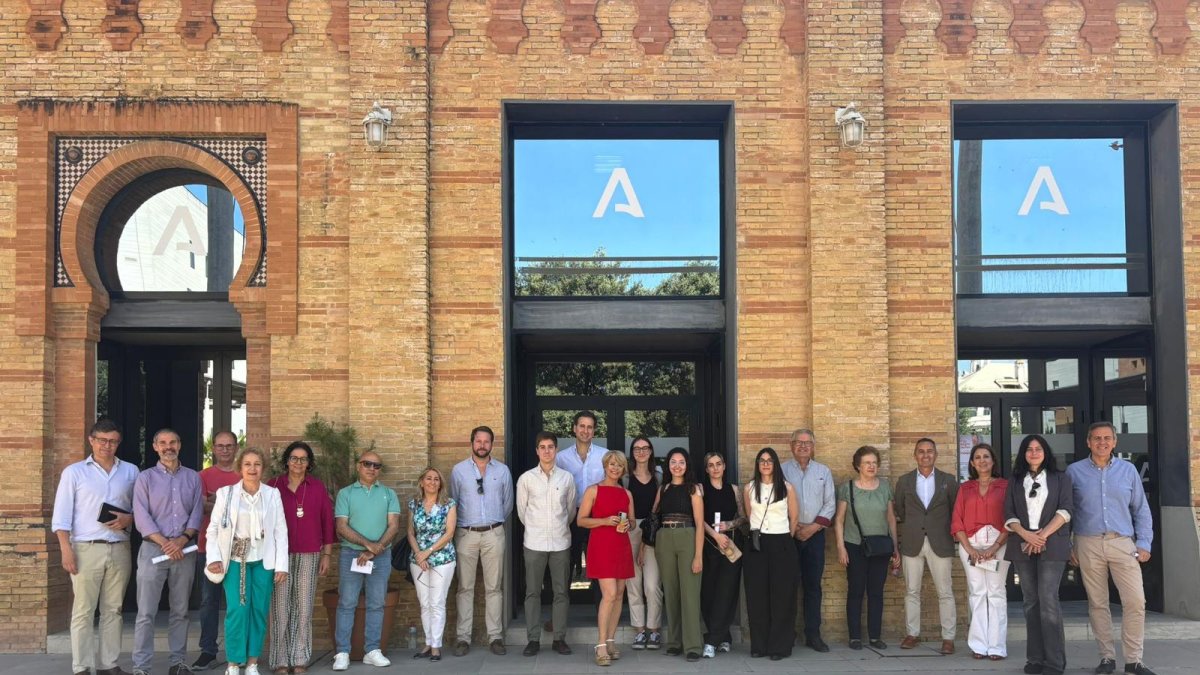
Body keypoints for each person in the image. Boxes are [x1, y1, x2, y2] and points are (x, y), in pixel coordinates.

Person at [1067, 422, 1157, 675]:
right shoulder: (1074, 472)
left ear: (1115, 442)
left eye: (1107, 438)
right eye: (1097, 438)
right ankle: (1106, 658)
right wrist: (1068, 545)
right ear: (1088, 442)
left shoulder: (1128, 470)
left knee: (1136, 601)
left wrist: (1144, 542)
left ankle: (1134, 660)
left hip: (1122, 543)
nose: (1102, 442)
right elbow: (1065, 511)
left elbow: (1141, 509)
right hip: (1088, 543)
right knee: (1098, 603)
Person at [52, 419, 139, 675]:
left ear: (118, 443)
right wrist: (66, 550)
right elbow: (61, 515)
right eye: (102, 440)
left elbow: (142, 508)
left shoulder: (131, 471)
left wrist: (130, 519)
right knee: (83, 610)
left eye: (112, 441)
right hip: (85, 548)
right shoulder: (74, 472)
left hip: (120, 547)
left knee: (114, 610)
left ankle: (108, 664)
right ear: (91, 440)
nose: (107, 445)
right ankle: (82, 666)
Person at [204, 448, 289, 675]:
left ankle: (252, 662)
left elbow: (280, 531)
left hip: (263, 560)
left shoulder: (272, 494)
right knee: (237, 611)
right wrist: (213, 558)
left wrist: (282, 566)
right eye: (247, 464)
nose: (252, 468)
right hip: (235, 559)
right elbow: (213, 529)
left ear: (263, 468)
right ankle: (233, 663)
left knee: (259, 610)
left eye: (257, 464)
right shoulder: (226, 494)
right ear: (240, 467)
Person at [132, 428, 205, 675]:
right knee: (146, 612)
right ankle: (141, 666)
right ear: (155, 447)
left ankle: (177, 663)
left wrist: (182, 540)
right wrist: (166, 543)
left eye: (172, 442)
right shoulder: (145, 478)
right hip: (153, 550)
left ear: (179, 445)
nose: (168, 447)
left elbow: (196, 513)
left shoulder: (193, 477)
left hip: (184, 552)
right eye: (162, 443)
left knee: (180, 611)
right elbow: (141, 516)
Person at [1005, 434, 1073, 675]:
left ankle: (1054, 662)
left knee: (1048, 600)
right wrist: (1027, 535)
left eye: (1038, 449)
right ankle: (1035, 658)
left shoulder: (1060, 478)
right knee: (1031, 602)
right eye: (1029, 449)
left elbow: (1066, 510)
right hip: (1022, 545)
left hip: (1052, 544)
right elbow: (1008, 514)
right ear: (1023, 454)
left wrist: (1041, 536)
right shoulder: (1015, 480)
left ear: (1046, 453)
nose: (1034, 453)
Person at [266, 441, 336, 674]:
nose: (298, 463)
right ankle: (280, 660)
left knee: (303, 607)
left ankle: (299, 658)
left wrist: (327, 554)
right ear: (287, 461)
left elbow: (327, 521)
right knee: (280, 608)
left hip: (309, 554)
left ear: (309, 463)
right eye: (294, 458)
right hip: (279, 556)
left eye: (303, 459)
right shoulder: (273, 485)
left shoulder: (317, 487)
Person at [332, 450, 401, 671]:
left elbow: (394, 526)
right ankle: (342, 652)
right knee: (346, 603)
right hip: (351, 555)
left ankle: (372, 650)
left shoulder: (389, 494)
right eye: (367, 464)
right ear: (358, 466)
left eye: (376, 465)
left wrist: (374, 549)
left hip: (380, 557)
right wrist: (368, 545)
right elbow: (341, 527)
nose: (372, 468)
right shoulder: (345, 493)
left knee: (376, 604)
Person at [449, 425, 513, 656]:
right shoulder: (458, 471)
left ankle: (495, 637)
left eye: (486, 441)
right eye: (478, 441)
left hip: (494, 533)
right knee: (464, 588)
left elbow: (508, 503)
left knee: (494, 588)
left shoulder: (502, 471)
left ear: (492, 444)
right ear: (472, 443)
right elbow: (453, 502)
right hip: (466, 534)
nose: (482, 445)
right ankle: (462, 638)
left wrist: (494, 523)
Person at [893, 438, 959, 654]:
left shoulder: (948, 480)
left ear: (936, 455)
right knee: (911, 591)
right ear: (915, 455)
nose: (925, 455)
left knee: (945, 591)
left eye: (930, 451)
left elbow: (955, 510)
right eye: (921, 451)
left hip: (940, 541)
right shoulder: (904, 481)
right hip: (912, 541)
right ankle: (912, 634)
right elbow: (900, 510)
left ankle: (948, 638)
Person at [515, 431, 575, 657]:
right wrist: (536, 528)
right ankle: (533, 640)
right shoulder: (526, 479)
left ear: (556, 450)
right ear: (537, 450)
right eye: (543, 447)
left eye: (551, 447)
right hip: (534, 543)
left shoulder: (566, 478)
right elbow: (522, 512)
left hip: (560, 542)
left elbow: (570, 511)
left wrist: (558, 528)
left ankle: (559, 638)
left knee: (561, 592)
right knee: (532, 593)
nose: (547, 451)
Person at [835, 445, 899, 651]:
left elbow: (891, 519)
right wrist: (841, 547)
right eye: (867, 463)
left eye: (874, 463)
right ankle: (854, 637)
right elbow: (839, 520)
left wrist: (895, 547)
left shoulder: (885, 487)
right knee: (855, 590)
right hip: (855, 545)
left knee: (876, 592)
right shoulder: (848, 488)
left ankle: (874, 636)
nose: (871, 466)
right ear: (858, 466)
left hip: (880, 546)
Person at [644, 447, 704, 662]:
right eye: (673, 462)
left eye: (681, 462)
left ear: (687, 465)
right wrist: (644, 546)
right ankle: (675, 642)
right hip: (664, 539)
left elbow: (700, 524)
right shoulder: (663, 489)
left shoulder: (694, 489)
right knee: (671, 592)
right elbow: (653, 518)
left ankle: (693, 645)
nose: (677, 466)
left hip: (687, 536)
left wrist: (698, 556)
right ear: (668, 465)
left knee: (690, 593)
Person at [951, 442, 1010, 660]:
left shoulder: (1005, 486)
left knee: (996, 593)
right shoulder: (965, 488)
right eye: (977, 457)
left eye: (986, 456)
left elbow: (1011, 519)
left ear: (993, 461)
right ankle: (978, 645)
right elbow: (956, 521)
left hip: (998, 544)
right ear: (972, 463)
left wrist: (995, 547)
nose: (982, 460)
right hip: (970, 545)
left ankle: (996, 646)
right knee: (977, 593)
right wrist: (969, 549)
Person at [577, 450, 636, 666]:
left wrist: (629, 524)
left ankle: (611, 641)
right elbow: (581, 520)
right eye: (612, 464)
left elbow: (633, 521)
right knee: (609, 594)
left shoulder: (627, 494)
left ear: (623, 469)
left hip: (621, 546)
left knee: (619, 595)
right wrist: (603, 521)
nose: (615, 468)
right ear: (605, 466)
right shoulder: (593, 490)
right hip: (601, 546)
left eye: (619, 465)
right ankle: (601, 644)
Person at [780, 428, 836, 652]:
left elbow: (830, 503)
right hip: (788, 535)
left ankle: (813, 635)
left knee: (813, 586)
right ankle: (787, 635)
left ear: (813, 446)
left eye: (807, 443)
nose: (803, 446)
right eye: (799, 442)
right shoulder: (781, 470)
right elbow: (776, 501)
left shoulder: (823, 471)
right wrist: (794, 527)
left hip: (815, 536)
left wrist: (812, 528)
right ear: (791, 445)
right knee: (788, 586)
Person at [742, 447, 799, 661]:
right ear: (757, 464)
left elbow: (794, 517)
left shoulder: (787, 487)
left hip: (781, 542)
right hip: (757, 544)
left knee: (782, 596)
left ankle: (779, 646)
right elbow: (750, 515)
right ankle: (759, 645)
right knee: (757, 595)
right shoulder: (749, 488)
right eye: (762, 460)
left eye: (769, 460)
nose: (766, 464)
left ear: (775, 464)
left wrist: (784, 539)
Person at [193, 431, 242, 671]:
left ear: (236, 448)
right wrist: (231, 503)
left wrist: (217, 501)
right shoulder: (202, 476)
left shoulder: (243, 475)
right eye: (220, 446)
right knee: (208, 602)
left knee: (238, 603)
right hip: (209, 548)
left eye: (229, 446)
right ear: (213, 448)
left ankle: (237, 651)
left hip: (239, 550)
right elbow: (200, 507)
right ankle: (208, 651)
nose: (225, 450)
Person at [407, 467, 458, 662]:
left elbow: (449, 533)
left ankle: (436, 645)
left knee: (437, 602)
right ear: (422, 482)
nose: (432, 482)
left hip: (443, 558)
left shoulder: (448, 504)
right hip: (418, 561)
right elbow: (410, 532)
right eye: (428, 478)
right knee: (425, 603)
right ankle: (428, 643)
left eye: (436, 479)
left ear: (440, 484)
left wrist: (428, 552)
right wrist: (419, 554)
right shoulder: (414, 504)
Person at [700, 451, 745, 658]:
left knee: (727, 592)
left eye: (718, 464)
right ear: (706, 469)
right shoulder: (701, 489)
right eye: (711, 465)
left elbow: (744, 517)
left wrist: (730, 524)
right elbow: (698, 518)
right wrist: (715, 535)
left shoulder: (733, 489)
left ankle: (712, 641)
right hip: (708, 545)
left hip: (730, 546)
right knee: (708, 593)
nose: (715, 468)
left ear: (724, 466)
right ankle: (723, 636)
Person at [555, 411, 607, 583]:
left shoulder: (604, 456)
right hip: (571, 515)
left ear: (594, 431)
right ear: (574, 428)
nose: (585, 430)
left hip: (598, 516)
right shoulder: (561, 458)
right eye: (582, 426)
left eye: (589, 427)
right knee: (568, 562)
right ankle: (565, 599)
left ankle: (600, 599)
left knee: (599, 563)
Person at [625, 436, 663, 651]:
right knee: (633, 584)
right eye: (636, 448)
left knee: (652, 584)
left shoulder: (658, 477)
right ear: (632, 452)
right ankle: (640, 630)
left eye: (645, 448)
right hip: (630, 530)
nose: (641, 452)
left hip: (653, 532)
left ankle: (654, 629)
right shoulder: (625, 478)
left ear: (650, 451)